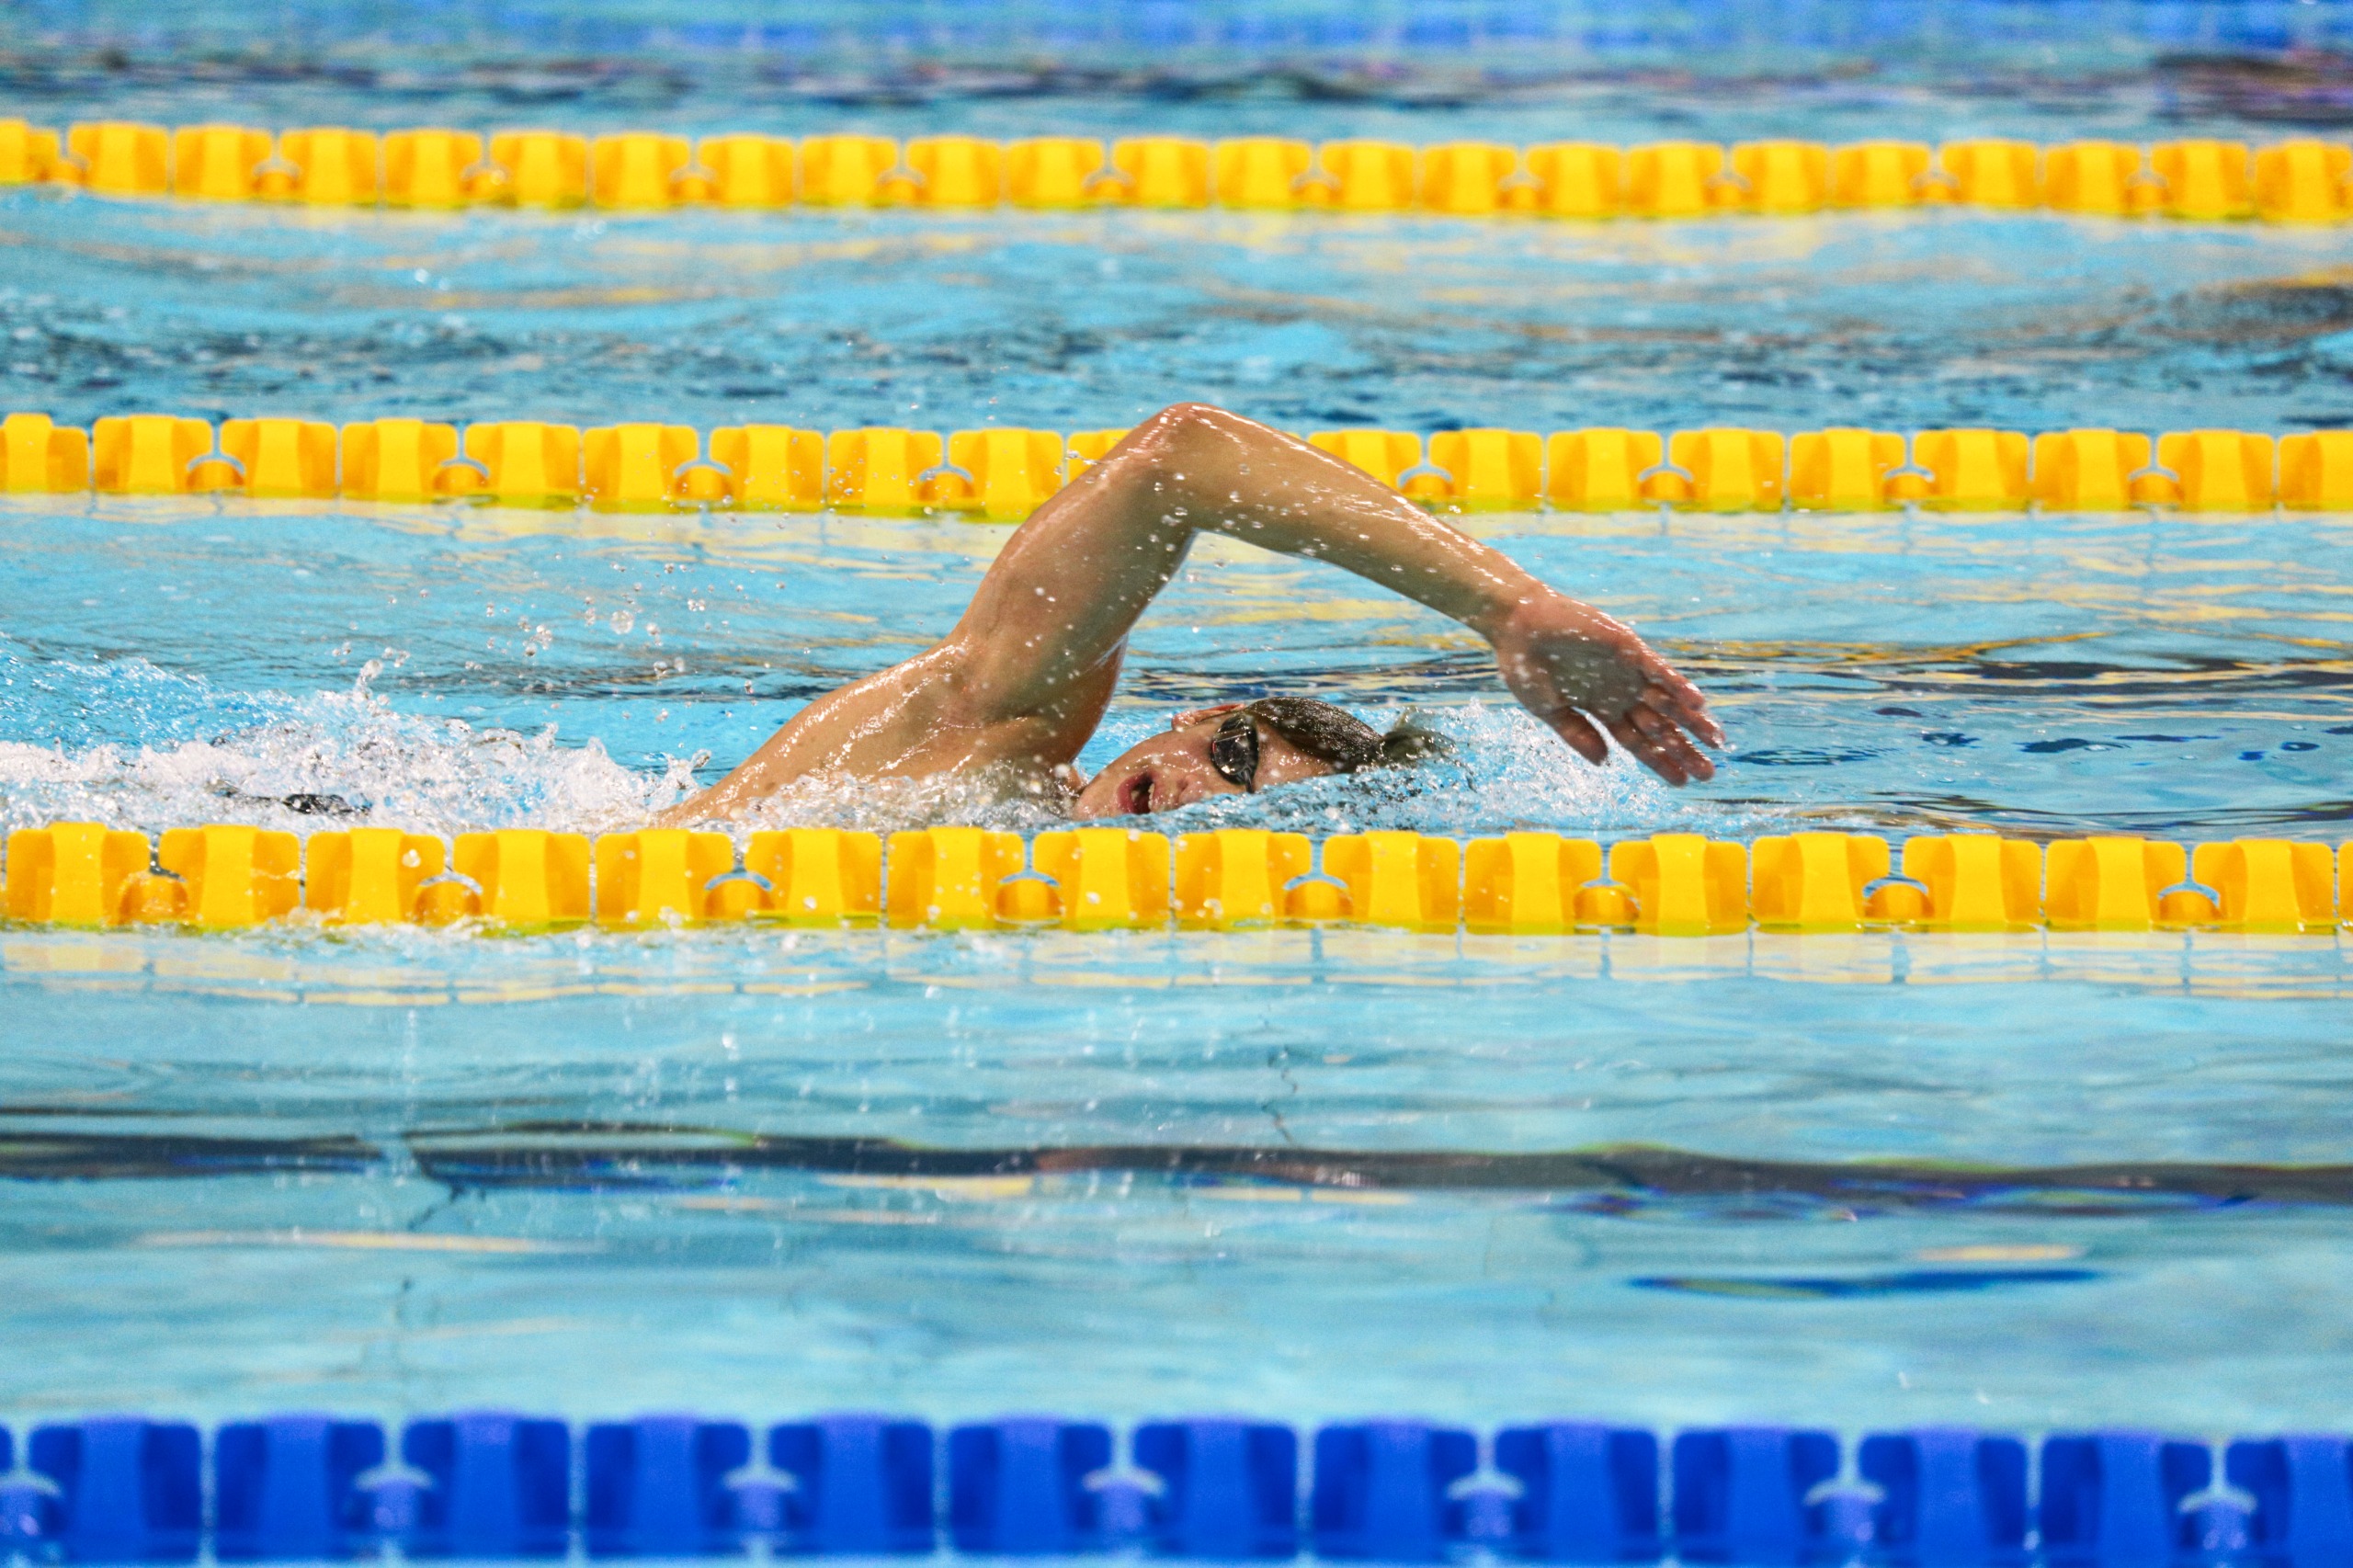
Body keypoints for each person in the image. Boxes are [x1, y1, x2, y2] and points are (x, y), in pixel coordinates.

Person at [662, 403, 1722, 824]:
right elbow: (1178, 459)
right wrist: (1509, 607)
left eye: (1231, 806)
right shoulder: (990, 738)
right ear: (1188, 717)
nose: (1190, 793)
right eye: (1234, 753)